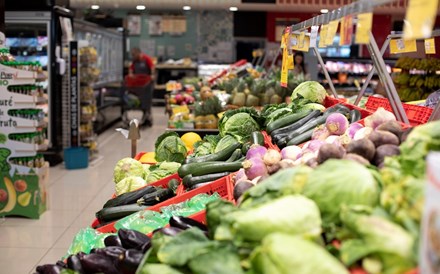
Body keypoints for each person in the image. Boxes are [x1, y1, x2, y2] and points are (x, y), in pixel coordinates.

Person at [128, 47, 155, 126]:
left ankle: (148, 117)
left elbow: (152, 68)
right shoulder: (134, 61)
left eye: (134, 55)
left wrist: (152, 75)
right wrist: (131, 75)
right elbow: (131, 69)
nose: (133, 57)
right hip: (138, 84)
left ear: (139, 53)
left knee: (147, 100)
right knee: (141, 100)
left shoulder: (146, 59)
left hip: (147, 83)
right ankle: (145, 115)